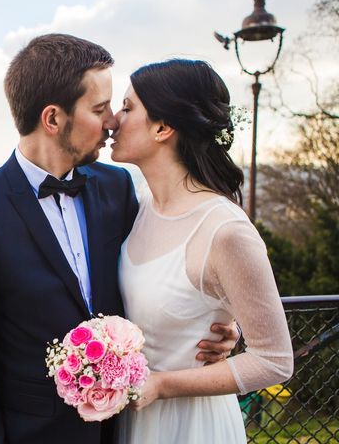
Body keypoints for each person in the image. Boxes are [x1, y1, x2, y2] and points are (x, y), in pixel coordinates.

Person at [0, 34, 239, 444]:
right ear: (53, 119)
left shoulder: (117, 186)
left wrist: (215, 321)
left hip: (130, 426)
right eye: (99, 109)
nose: (113, 120)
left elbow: (159, 274)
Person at [110, 59, 293, 443]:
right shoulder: (142, 206)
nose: (113, 119)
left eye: (127, 108)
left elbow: (275, 360)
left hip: (192, 427)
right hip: (135, 422)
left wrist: (162, 385)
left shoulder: (224, 230)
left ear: (163, 127)